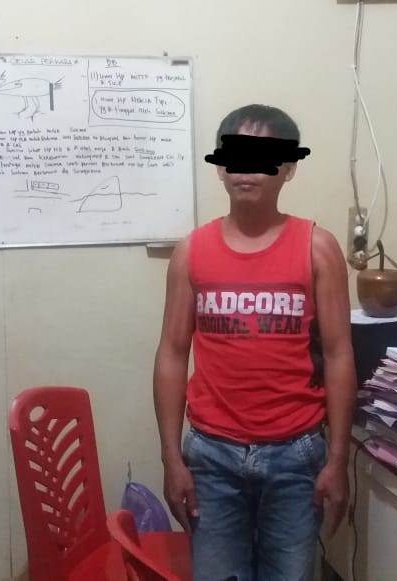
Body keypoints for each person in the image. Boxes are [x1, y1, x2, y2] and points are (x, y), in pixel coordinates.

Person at [153, 104, 356, 581]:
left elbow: (339, 354)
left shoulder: (317, 248)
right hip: (211, 454)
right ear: (221, 167)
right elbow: (172, 353)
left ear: (288, 168)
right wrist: (170, 458)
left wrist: (337, 459)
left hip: (296, 453)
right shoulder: (191, 252)